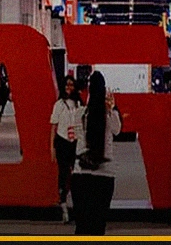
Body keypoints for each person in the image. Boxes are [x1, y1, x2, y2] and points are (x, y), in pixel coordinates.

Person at [70, 71, 122, 235]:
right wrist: (111, 107)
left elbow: (75, 135)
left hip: (81, 173)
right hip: (104, 175)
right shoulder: (109, 115)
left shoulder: (80, 114)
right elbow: (117, 130)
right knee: (98, 226)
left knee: (82, 226)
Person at [50, 74, 83, 222]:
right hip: (62, 142)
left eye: (71, 85)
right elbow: (53, 126)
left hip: (76, 142)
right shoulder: (59, 105)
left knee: (76, 174)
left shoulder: (79, 104)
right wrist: (52, 147)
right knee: (63, 173)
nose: (69, 88)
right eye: (67, 85)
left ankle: (76, 204)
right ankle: (63, 204)